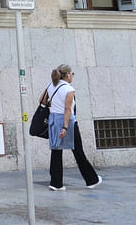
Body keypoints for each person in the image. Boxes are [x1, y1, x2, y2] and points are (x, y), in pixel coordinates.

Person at [46, 63, 101, 191]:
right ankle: (91, 179)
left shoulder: (50, 86)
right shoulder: (69, 89)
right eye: (72, 73)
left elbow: (43, 100)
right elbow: (67, 109)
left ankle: (56, 183)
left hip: (54, 120)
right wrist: (65, 127)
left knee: (56, 152)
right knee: (78, 151)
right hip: (67, 122)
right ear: (67, 74)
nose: (72, 76)